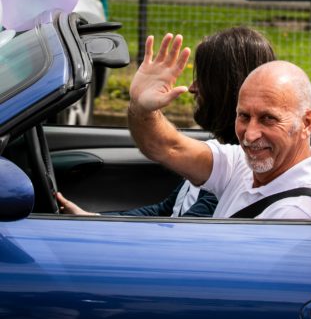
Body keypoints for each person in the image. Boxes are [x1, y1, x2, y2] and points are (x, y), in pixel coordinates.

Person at [57, 27, 276, 217]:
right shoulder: (215, 155)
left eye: (204, 79)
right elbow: (166, 210)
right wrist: (92, 219)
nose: (192, 87)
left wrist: (142, 106)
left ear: (227, 87)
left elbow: (177, 228)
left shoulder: (241, 171)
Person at [127, 33, 311, 219]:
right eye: (244, 116)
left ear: (306, 123)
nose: (251, 134)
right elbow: (166, 146)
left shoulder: (295, 214)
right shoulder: (241, 164)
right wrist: (141, 107)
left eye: (268, 119)